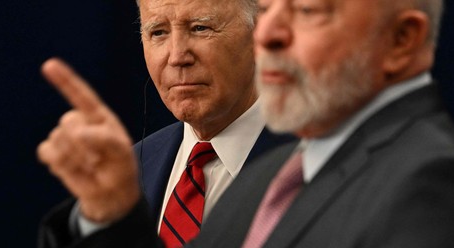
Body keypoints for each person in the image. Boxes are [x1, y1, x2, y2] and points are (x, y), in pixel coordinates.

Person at [39, 0, 454, 247]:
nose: (267, 34)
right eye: (269, 9)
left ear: (401, 40)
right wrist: (111, 215)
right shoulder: (278, 180)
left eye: (307, 10)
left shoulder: (436, 189)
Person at [36, 0, 293, 246]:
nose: (177, 56)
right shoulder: (129, 172)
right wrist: (101, 222)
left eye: (200, 28)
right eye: (158, 33)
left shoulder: (315, 161)